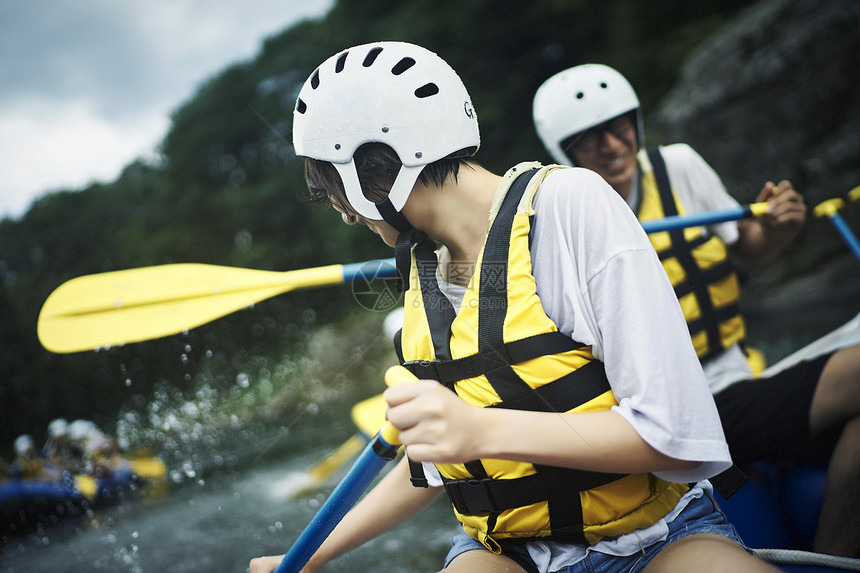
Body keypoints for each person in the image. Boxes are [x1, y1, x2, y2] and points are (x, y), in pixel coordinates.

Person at [250, 42, 778, 573]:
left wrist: (479, 430)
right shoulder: (425, 269)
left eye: (334, 190)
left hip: (656, 538)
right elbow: (435, 463)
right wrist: (307, 559)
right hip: (509, 553)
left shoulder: (571, 204)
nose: (344, 215)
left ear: (371, 172)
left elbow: (678, 435)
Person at [532, 63, 860, 557]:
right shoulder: (565, 225)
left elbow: (743, 246)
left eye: (619, 126)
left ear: (636, 124)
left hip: (743, 380)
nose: (613, 146)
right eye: (589, 139)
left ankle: (836, 557)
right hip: (680, 412)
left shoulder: (678, 167)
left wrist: (775, 231)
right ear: (566, 153)